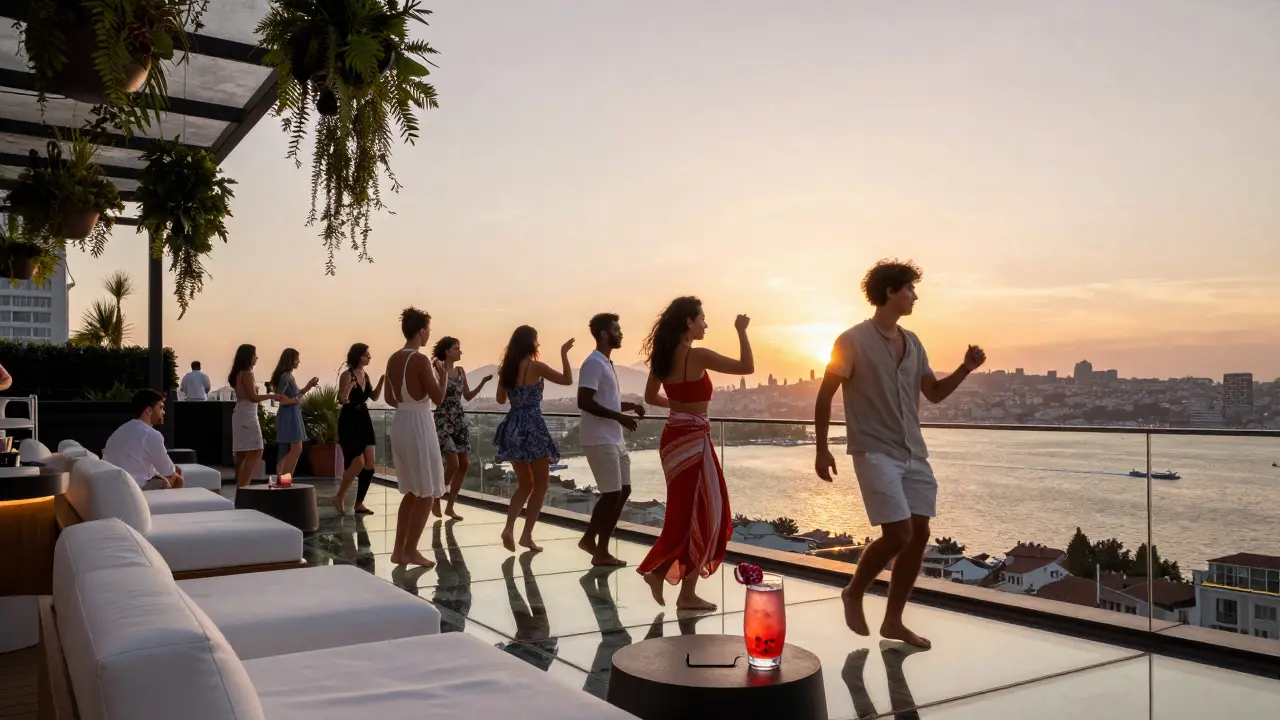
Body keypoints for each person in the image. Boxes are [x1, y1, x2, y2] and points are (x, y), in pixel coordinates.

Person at [813, 260, 986, 649]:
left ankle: (893, 620)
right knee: (898, 534)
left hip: (913, 452)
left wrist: (966, 368)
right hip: (874, 451)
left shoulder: (914, 342)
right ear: (890, 292)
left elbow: (934, 393)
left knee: (919, 533)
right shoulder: (852, 340)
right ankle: (854, 590)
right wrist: (822, 449)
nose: (915, 296)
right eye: (910, 289)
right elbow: (825, 397)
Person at [637, 297, 752, 610]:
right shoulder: (696, 356)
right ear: (688, 322)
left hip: (674, 439)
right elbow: (747, 367)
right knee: (706, 514)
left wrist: (678, 406)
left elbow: (650, 397)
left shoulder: (662, 357)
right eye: (702, 318)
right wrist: (742, 331)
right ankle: (680, 589)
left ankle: (664, 573)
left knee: (686, 514)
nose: (705, 324)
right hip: (694, 441)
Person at [493, 326, 574, 553]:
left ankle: (509, 527)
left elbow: (501, 400)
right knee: (540, 485)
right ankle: (526, 535)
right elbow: (567, 380)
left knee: (525, 484)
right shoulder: (535, 366)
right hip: (533, 426)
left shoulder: (506, 369)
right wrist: (564, 354)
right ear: (530, 343)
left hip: (512, 427)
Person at [576, 313, 645, 567]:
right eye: (616, 328)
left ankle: (590, 541)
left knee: (622, 491)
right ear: (604, 333)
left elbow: (607, 400)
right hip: (599, 438)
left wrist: (630, 406)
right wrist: (620, 417)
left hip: (613, 439)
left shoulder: (606, 363)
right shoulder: (593, 363)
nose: (621, 333)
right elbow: (584, 401)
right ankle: (600, 550)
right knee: (611, 494)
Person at [385, 307, 448, 568]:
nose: (429, 335)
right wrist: (443, 376)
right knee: (427, 492)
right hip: (420, 425)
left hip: (401, 422)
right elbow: (438, 398)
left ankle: (399, 551)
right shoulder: (421, 361)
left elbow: (390, 398)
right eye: (428, 330)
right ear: (421, 331)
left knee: (412, 490)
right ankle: (410, 550)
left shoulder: (393, 359)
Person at [431, 336, 491, 520]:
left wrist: (482, 382)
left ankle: (450, 506)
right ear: (448, 351)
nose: (460, 351)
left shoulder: (461, 371)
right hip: (443, 419)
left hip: (458, 418)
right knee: (453, 463)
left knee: (464, 464)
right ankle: (436, 497)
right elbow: (436, 398)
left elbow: (468, 395)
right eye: (456, 348)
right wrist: (441, 375)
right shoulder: (437, 370)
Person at [334, 343, 385, 515]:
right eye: (366, 354)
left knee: (370, 464)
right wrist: (348, 388)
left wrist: (383, 380)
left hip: (364, 418)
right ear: (358, 356)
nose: (369, 357)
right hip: (349, 419)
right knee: (358, 462)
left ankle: (359, 503)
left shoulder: (366, 375)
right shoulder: (346, 375)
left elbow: (374, 396)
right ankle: (340, 496)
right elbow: (341, 399)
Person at [103, 389, 183, 490]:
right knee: (177, 479)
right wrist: (174, 472)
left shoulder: (120, 431)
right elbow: (168, 471)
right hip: (135, 489)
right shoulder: (150, 435)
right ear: (148, 410)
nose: (163, 412)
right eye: (161, 408)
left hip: (114, 485)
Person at [229, 344, 282, 488]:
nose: (257, 357)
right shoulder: (247, 373)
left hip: (240, 413)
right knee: (257, 449)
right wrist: (272, 396)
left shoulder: (239, 373)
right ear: (249, 357)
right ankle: (244, 485)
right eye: (255, 355)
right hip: (247, 415)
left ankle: (241, 486)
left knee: (243, 452)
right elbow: (253, 397)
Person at [270, 349, 319, 478]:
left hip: (292, 414)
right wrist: (293, 400)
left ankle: (283, 478)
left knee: (289, 450)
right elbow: (278, 398)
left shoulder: (289, 376)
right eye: (297, 359)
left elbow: (295, 395)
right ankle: (284, 479)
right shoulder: (286, 376)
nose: (298, 361)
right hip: (288, 415)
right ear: (290, 360)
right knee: (296, 449)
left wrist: (308, 386)